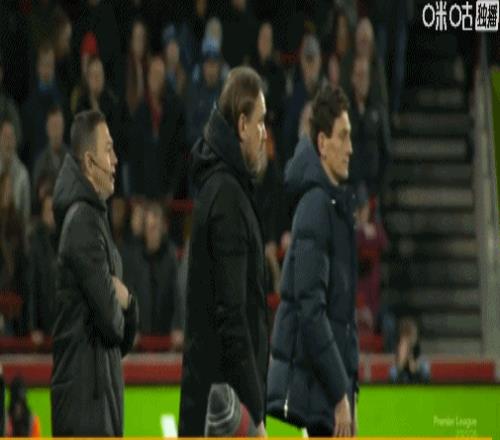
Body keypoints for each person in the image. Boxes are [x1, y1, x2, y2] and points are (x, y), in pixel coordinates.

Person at [179, 66, 269, 436]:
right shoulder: (228, 198)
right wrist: (256, 415)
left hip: (219, 405)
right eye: (260, 122)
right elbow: (233, 317)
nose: (265, 133)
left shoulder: (222, 188)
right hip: (225, 412)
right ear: (242, 125)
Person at [267, 85, 359, 437]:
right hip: (321, 396)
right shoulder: (316, 207)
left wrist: (349, 393)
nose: (350, 148)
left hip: (329, 396)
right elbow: (311, 310)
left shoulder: (333, 207)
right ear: (322, 143)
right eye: (343, 137)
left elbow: (341, 316)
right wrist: (339, 395)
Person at [51, 110, 138, 436]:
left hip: (96, 400)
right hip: (85, 409)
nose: (115, 160)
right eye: (108, 150)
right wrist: (124, 302)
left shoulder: (93, 217)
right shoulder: (83, 224)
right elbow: (113, 325)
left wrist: (127, 300)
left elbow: (121, 339)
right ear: (89, 162)